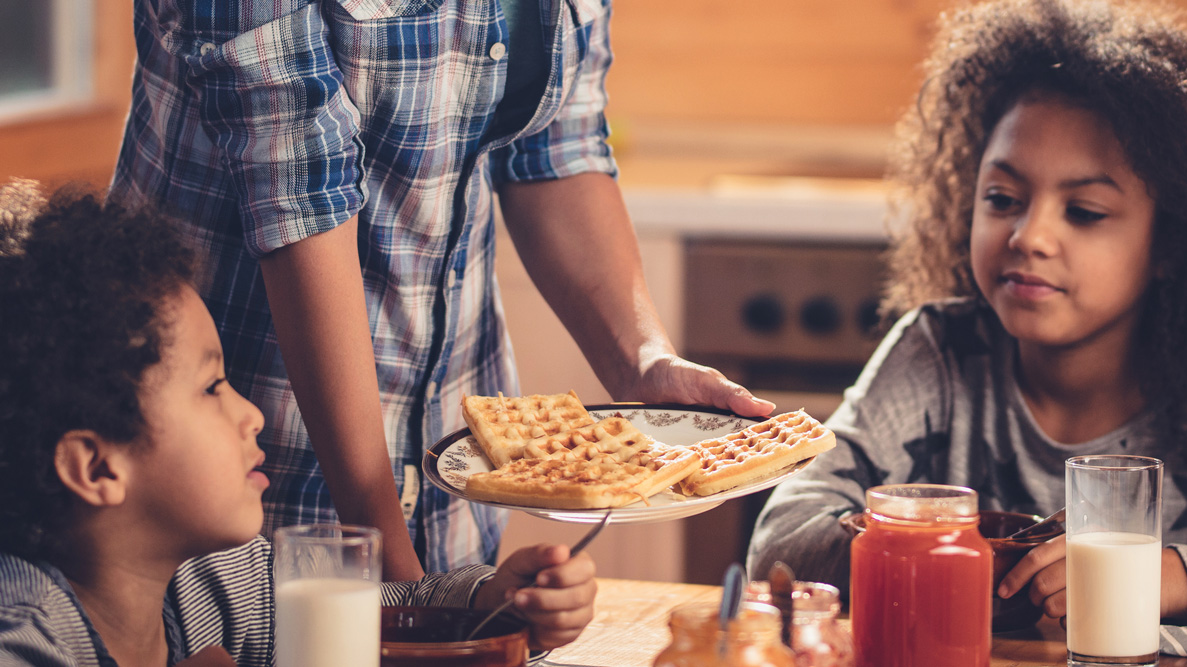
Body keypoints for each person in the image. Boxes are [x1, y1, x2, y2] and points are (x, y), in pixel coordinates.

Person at [108, 0, 774, 580]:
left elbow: (556, 145)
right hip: (235, 483)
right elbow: (295, 191)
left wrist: (644, 362)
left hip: (450, 489)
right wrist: (388, 562)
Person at [747, 0, 1187, 653]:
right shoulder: (938, 352)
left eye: (1085, 211)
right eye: (1003, 199)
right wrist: (934, 549)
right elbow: (781, 541)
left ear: (1168, 245)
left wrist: (1174, 574)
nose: (1029, 235)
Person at [0, 181, 596, 666]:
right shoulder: (25, 636)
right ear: (97, 466)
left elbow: (387, 616)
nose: (251, 413)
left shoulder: (226, 581)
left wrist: (495, 604)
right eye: (212, 388)